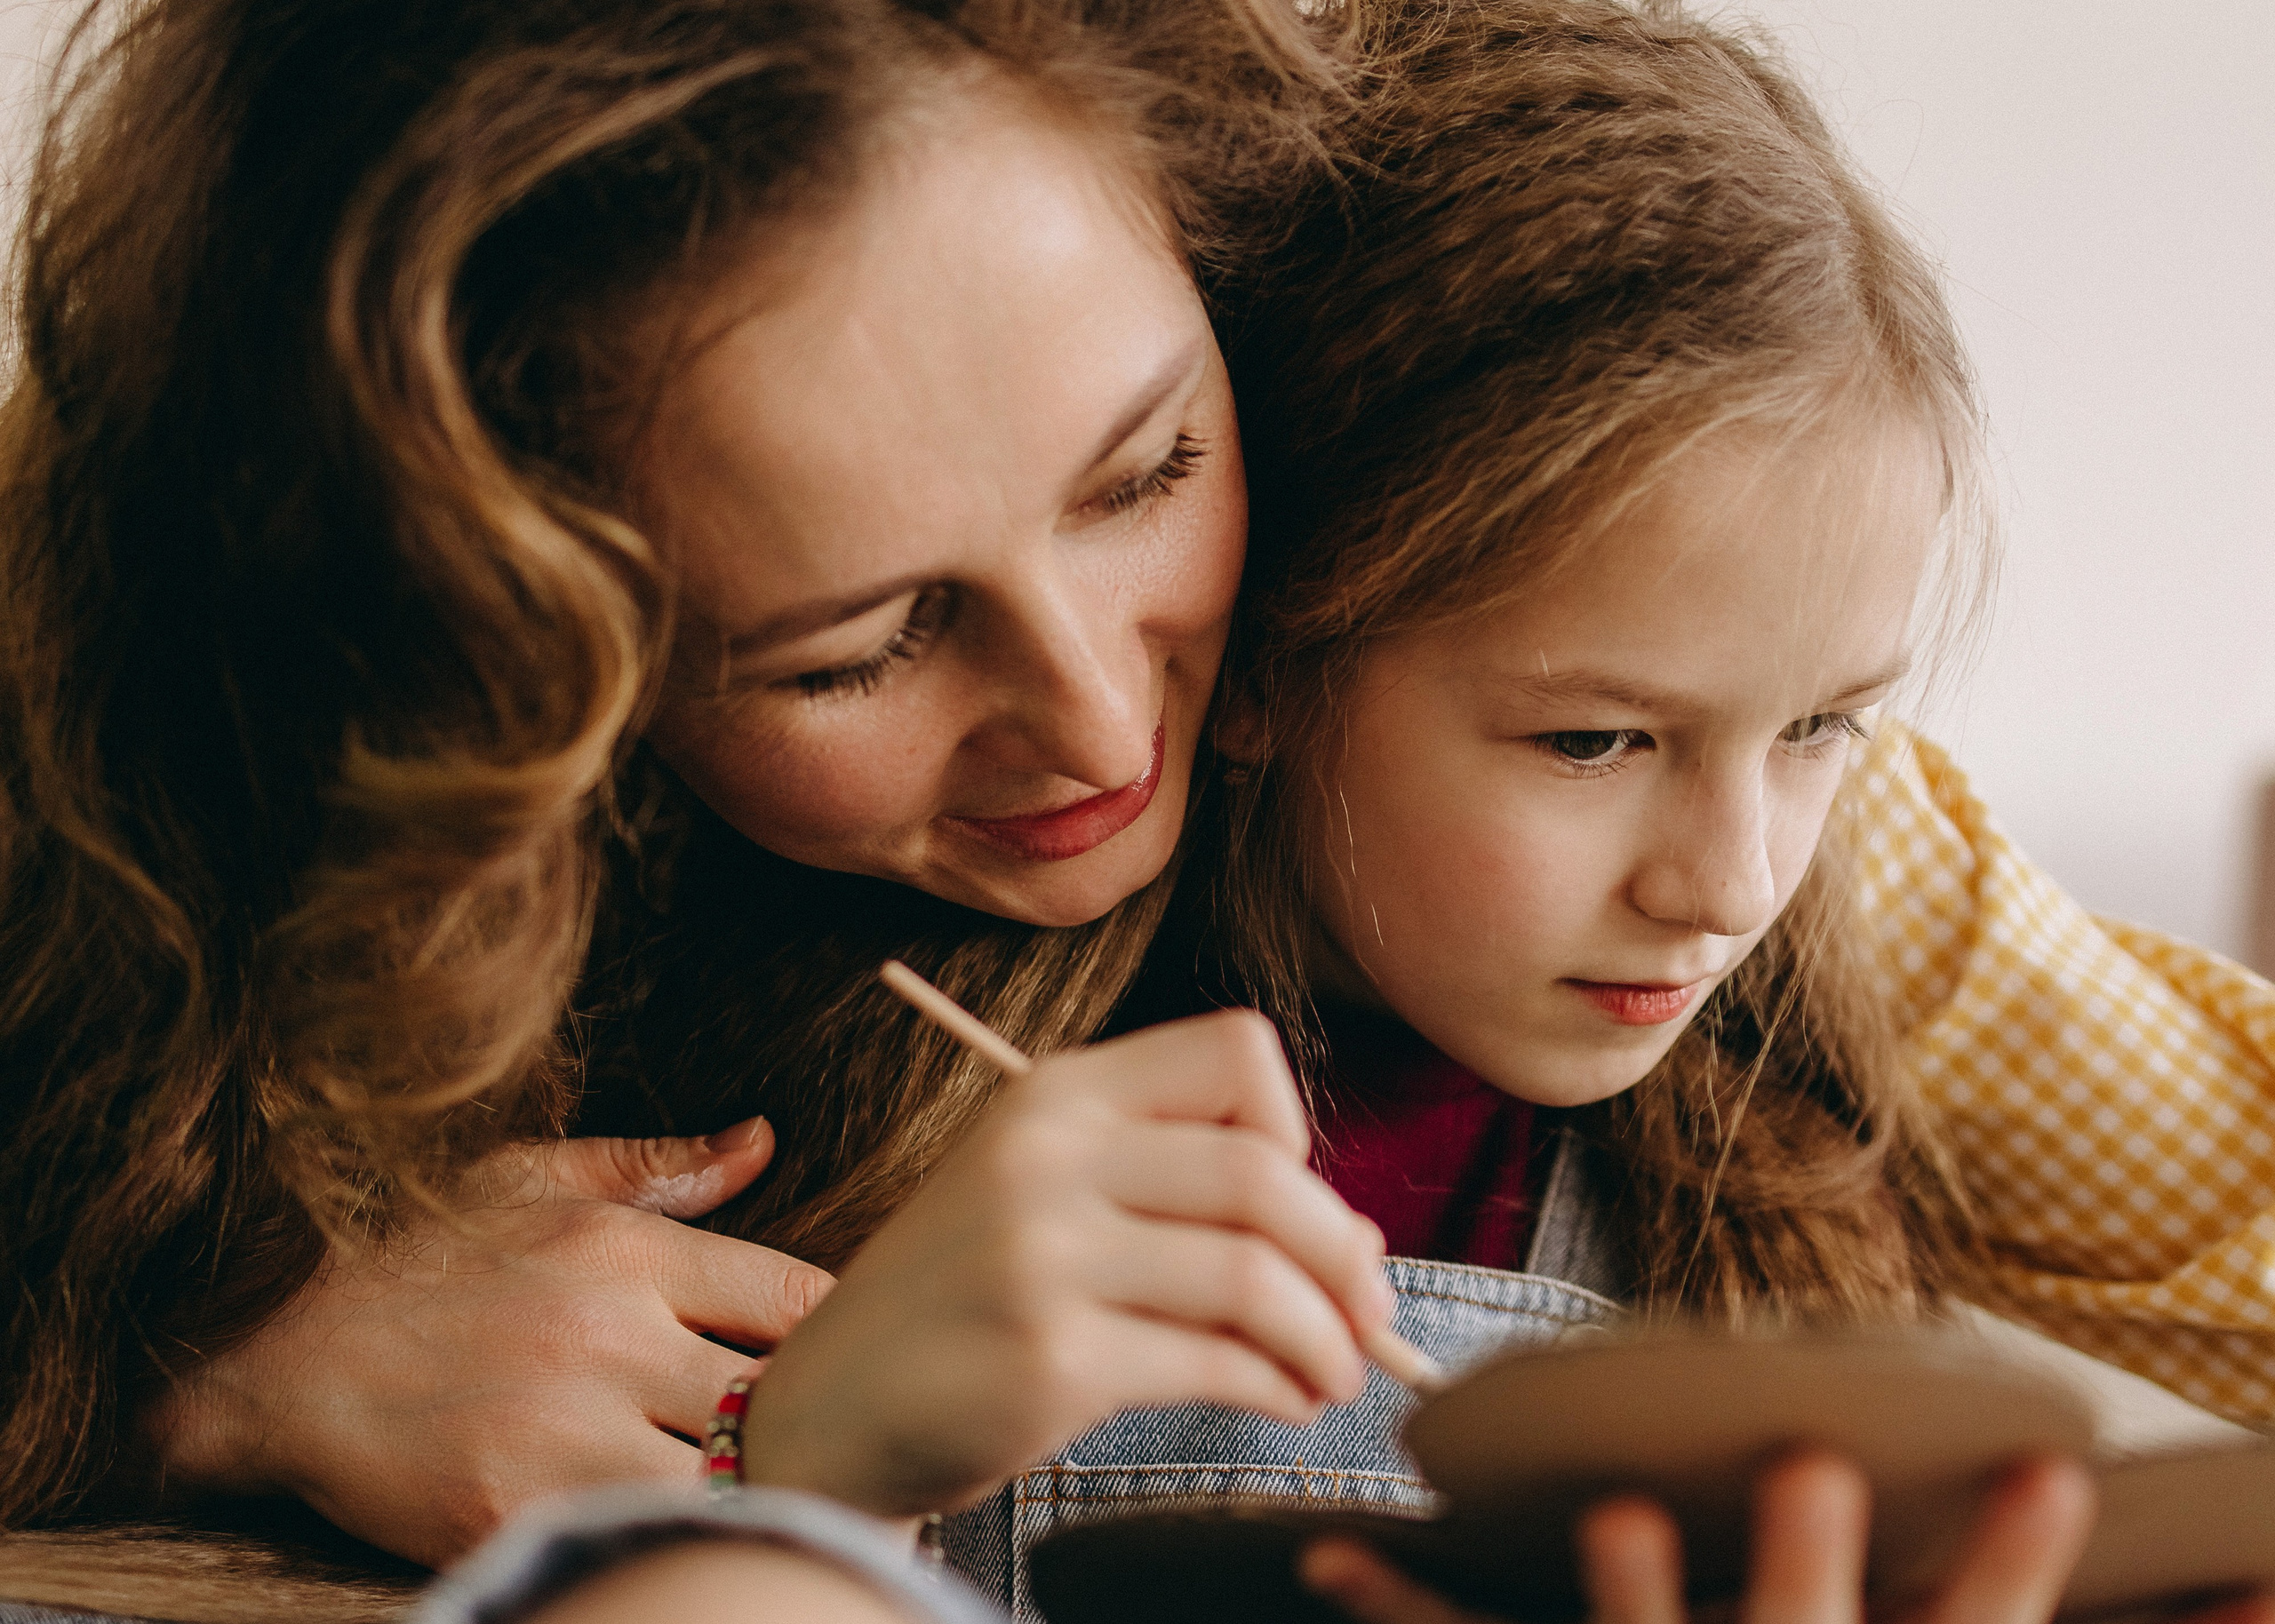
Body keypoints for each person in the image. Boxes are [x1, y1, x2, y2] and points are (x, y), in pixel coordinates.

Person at [1, 0, 2269, 1609]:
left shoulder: (1759, 827)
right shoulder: (225, 828)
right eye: (853, 647)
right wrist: (227, 1369)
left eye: (1148, 472)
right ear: (504, 684)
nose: (1102, 722)